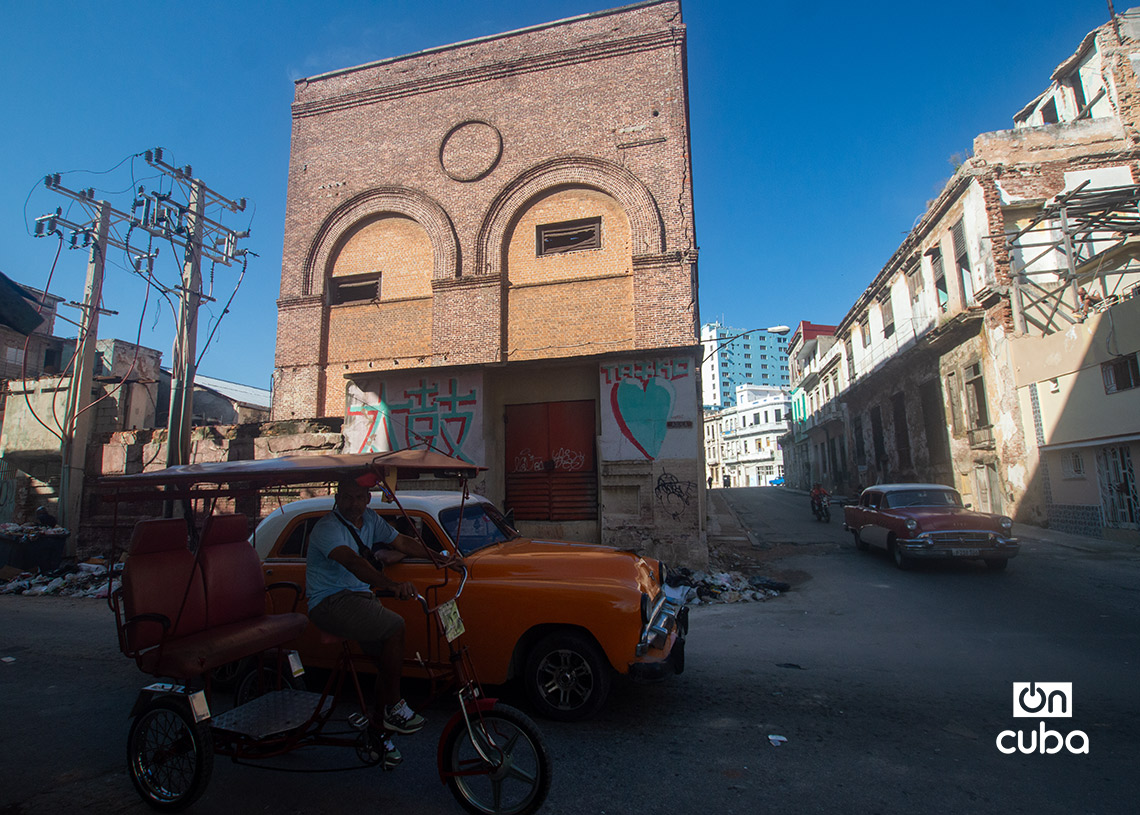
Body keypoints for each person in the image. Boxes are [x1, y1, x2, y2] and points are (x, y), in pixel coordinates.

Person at [305, 477, 429, 767]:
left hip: (358, 599)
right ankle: (395, 708)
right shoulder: (327, 527)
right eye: (347, 497)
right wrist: (390, 584)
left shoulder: (370, 519)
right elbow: (353, 562)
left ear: (368, 499)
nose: (353, 504)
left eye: (359, 498)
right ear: (337, 497)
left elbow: (402, 542)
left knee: (387, 665)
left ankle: (378, 734)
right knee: (395, 626)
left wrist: (444, 559)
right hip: (329, 601)